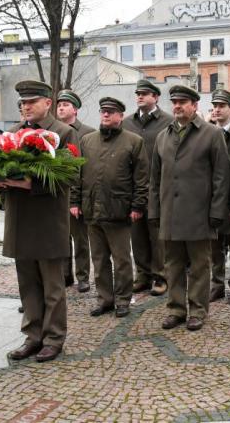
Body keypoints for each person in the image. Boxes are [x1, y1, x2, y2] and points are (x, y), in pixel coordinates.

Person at [0, 80, 77, 363]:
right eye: (22, 103)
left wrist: (29, 184)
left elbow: (68, 177)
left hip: (48, 221)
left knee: (53, 286)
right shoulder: (12, 133)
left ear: (48, 103)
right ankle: (33, 335)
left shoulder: (63, 133)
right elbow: (3, 170)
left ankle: (54, 338)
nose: (25, 107)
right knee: (27, 283)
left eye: (31, 102)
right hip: (20, 220)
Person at [149, 84, 230, 331]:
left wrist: (217, 212)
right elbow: (155, 179)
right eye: (174, 102)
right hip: (170, 215)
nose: (177, 106)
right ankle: (176, 308)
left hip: (199, 214)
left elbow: (221, 176)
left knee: (199, 266)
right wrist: (154, 211)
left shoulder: (211, 134)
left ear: (194, 106)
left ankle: (197, 310)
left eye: (183, 102)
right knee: (172, 266)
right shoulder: (163, 136)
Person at [71, 97, 148, 318]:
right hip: (92, 211)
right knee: (99, 259)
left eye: (111, 112)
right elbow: (78, 175)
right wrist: (75, 202)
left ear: (120, 116)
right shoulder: (87, 141)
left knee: (122, 260)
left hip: (119, 211)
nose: (105, 115)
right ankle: (104, 299)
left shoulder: (134, 141)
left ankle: (123, 299)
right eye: (103, 111)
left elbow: (142, 178)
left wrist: (137, 206)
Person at [123, 79, 173, 296]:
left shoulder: (168, 122)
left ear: (156, 97)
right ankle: (142, 275)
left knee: (157, 235)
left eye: (145, 93)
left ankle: (160, 276)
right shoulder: (127, 123)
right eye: (138, 93)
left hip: (157, 187)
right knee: (137, 234)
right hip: (133, 188)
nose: (140, 96)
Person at [56, 89, 95, 292]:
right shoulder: (53, 132)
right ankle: (65, 275)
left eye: (65, 105)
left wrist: (77, 199)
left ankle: (83, 277)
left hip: (78, 195)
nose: (61, 108)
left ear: (75, 109)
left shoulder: (87, 133)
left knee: (81, 240)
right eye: (59, 105)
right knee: (62, 239)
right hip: (57, 196)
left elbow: (87, 168)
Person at [209, 89, 230, 306]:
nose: (217, 109)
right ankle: (217, 285)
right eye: (215, 106)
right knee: (215, 248)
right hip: (213, 200)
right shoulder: (208, 132)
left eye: (222, 106)